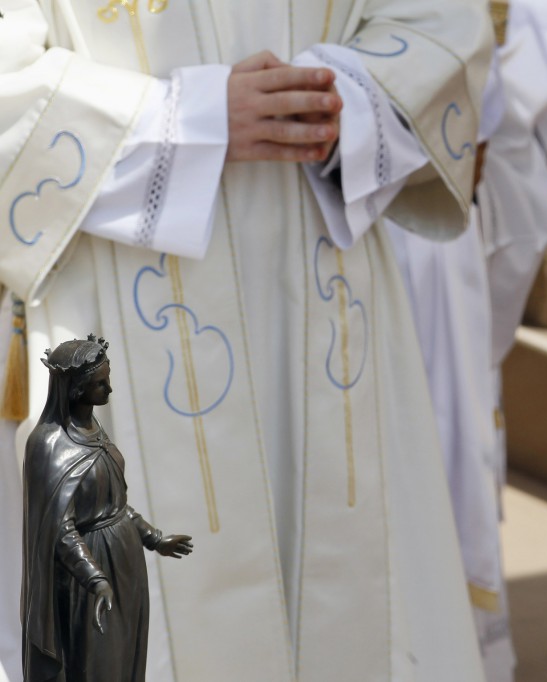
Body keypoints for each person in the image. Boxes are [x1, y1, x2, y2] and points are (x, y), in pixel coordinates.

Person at [0, 2, 491, 681]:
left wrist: (329, 96)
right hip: (112, 274)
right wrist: (188, 121)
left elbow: (442, 25)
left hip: (317, 274)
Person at [384, 1, 547, 679]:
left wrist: (457, 126)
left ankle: (443, 648)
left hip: (429, 193)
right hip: (306, 196)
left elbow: (529, 50)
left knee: (439, 441)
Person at [22, 335, 192, 682]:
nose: (109, 390)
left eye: (108, 378)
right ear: (75, 387)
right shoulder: (47, 444)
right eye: (100, 383)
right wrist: (94, 578)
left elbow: (116, 505)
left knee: (126, 662)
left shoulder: (95, 428)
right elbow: (61, 531)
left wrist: (154, 538)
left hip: (125, 566)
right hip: (87, 577)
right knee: (97, 667)